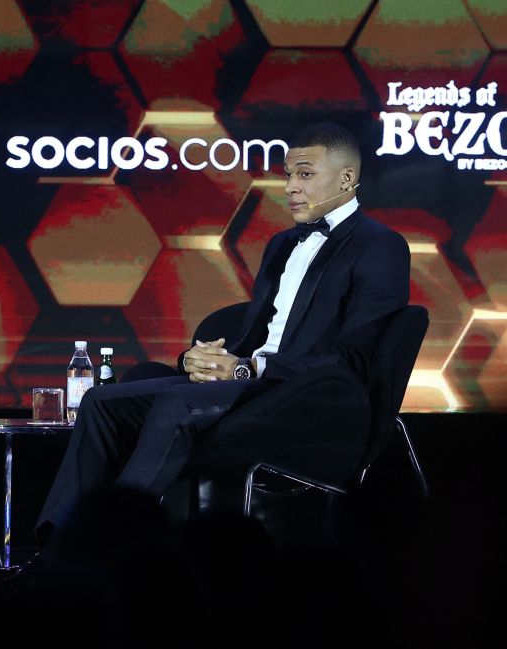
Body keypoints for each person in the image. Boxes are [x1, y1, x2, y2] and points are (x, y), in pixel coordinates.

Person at [36, 122, 410, 539]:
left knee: (177, 404)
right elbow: (255, 336)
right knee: (102, 402)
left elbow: (353, 361)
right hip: (251, 386)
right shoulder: (282, 244)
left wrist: (248, 368)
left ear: (346, 178)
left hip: (308, 402)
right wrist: (201, 359)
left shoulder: (380, 247)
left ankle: (116, 544)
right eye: (288, 174)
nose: (290, 187)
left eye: (305, 174)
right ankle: (57, 543)